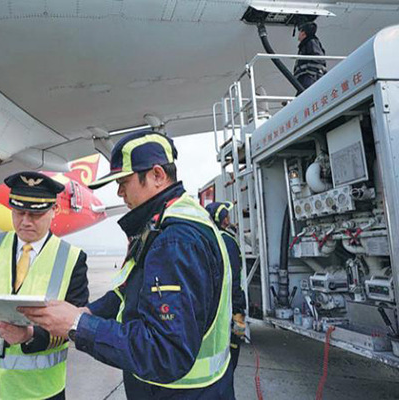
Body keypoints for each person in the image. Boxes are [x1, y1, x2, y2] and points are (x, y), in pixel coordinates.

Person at [21, 131, 234, 399]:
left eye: (124, 181)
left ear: (157, 175)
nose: (119, 192)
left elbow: (164, 353)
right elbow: (127, 293)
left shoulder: (174, 241)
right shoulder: (164, 224)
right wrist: (87, 311)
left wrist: (78, 324)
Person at [0, 171, 89, 400]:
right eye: (19, 212)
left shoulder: (72, 259)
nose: (25, 221)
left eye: (35, 214)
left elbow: (76, 324)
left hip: (36, 389)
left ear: (54, 210)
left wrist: (29, 335)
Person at [205, 202, 247, 373]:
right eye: (226, 216)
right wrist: (238, 310)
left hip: (215, 306)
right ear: (222, 220)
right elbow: (233, 279)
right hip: (229, 307)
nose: (229, 219)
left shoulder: (210, 238)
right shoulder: (227, 241)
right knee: (232, 351)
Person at [293, 21, 327, 92]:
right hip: (306, 78)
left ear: (303, 33)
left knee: (305, 95)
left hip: (309, 78)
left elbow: (318, 59)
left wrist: (310, 74)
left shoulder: (311, 42)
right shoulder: (308, 43)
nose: (298, 34)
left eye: (299, 32)